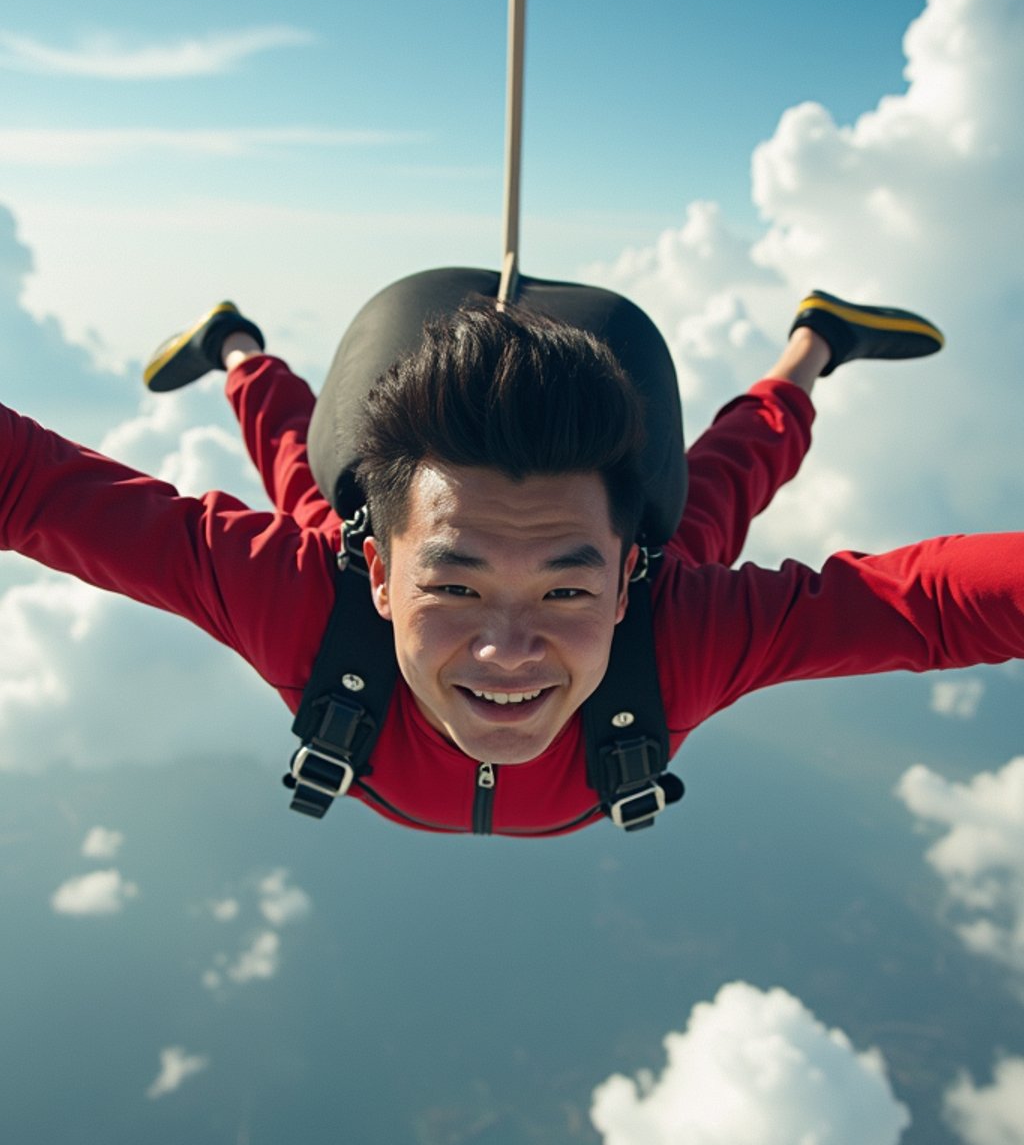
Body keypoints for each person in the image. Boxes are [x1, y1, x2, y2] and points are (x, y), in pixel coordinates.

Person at [2, 288, 1021, 836]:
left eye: (567, 586)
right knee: (304, 487)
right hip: (379, 568)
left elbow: (918, 605)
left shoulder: (667, 627)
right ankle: (234, 344)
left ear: (626, 580)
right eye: (453, 583)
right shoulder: (313, 590)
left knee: (711, 500)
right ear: (381, 575)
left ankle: (814, 343)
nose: (508, 648)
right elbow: (36, 489)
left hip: (616, 605)